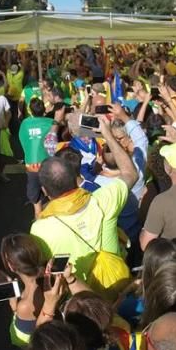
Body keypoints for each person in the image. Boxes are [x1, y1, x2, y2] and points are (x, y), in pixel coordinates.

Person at [30, 115, 139, 286]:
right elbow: (131, 174)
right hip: (118, 287)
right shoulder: (102, 200)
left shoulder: (39, 229)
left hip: (81, 300)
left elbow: (43, 272)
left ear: (45, 191)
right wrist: (107, 134)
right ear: (75, 179)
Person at [19, 97, 54, 216]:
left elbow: (22, 140)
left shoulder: (25, 123)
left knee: (36, 203)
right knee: (53, 195)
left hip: (31, 165)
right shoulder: (51, 122)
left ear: (30, 111)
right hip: (47, 165)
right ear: (44, 109)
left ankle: (38, 223)